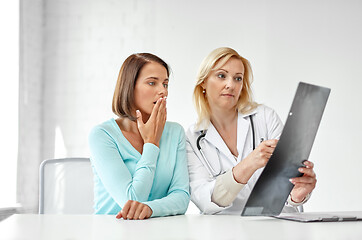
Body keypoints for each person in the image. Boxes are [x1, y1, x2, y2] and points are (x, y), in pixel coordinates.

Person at [186, 47, 316, 215]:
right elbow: (205, 200)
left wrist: (297, 195)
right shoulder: (192, 138)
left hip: (278, 223)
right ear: (203, 81)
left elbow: (288, 183)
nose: (230, 85)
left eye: (238, 78)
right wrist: (249, 164)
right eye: (221, 76)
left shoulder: (265, 117)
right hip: (227, 230)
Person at [89, 53, 190, 220]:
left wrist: (150, 209)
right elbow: (131, 200)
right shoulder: (102, 135)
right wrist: (152, 143)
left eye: (165, 84)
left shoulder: (175, 132)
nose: (162, 91)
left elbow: (181, 196)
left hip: (160, 231)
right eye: (152, 83)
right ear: (129, 87)